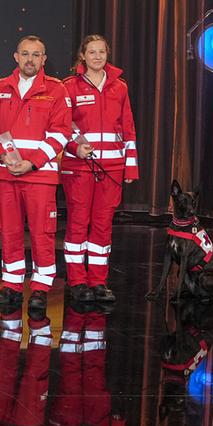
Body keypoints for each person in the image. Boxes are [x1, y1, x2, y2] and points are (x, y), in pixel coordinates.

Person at [0, 35, 73, 320]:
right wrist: (4, 158)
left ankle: (40, 288)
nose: (30, 60)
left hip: (40, 176)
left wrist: (31, 163)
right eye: (25, 54)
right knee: (8, 230)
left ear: (44, 59)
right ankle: (11, 285)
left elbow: (61, 133)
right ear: (15, 56)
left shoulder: (57, 90)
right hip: (6, 173)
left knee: (42, 233)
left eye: (36, 55)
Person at [62, 35, 138, 310]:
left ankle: (98, 280)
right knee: (78, 223)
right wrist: (73, 147)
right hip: (79, 168)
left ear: (107, 54)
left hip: (112, 169)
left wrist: (131, 166)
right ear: (82, 55)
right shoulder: (68, 87)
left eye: (101, 52)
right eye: (91, 52)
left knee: (103, 226)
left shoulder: (120, 87)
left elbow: (128, 128)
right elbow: (62, 127)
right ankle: (77, 281)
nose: (97, 56)